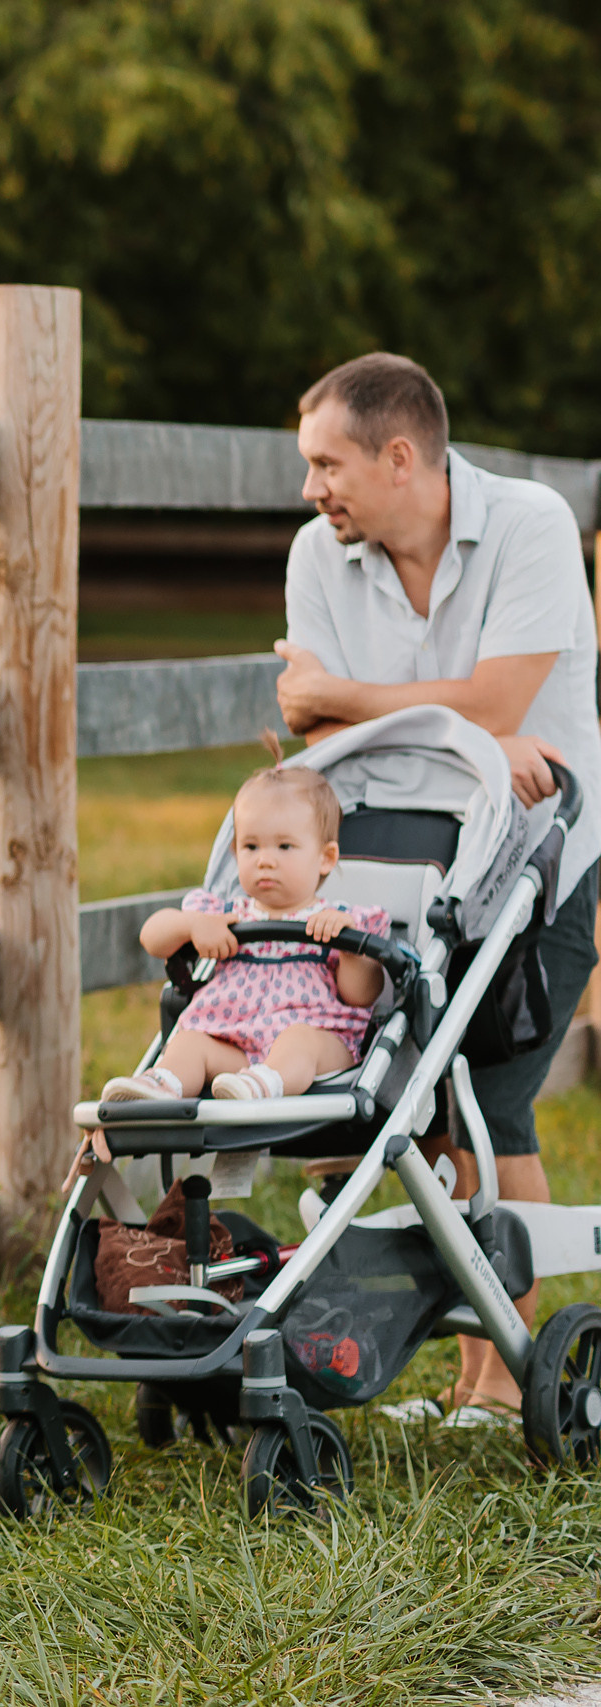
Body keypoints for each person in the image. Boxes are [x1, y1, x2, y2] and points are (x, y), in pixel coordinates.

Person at [274, 351, 601, 1424]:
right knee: (415, 1109)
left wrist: (360, 700)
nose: (312, 487)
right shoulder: (319, 555)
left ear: (399, 456)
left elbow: (507, 695)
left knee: (493, 1101)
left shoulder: (531, 527)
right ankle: (465, 1369)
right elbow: (303, 724)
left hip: (533, 858)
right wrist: (462, 723)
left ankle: (510, 1379)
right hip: (383, 865)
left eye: (327, 463)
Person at [101, 753, 388, 1103]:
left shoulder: (337, 920)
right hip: (235, 1050)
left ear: (325, 857)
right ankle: (161, 1085)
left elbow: (361, 994)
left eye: (284, 846)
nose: (264, 859)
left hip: (318, 1045)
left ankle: (264, 1085)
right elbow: (151, 936)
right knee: (190, 1043)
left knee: (299, 1040)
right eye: (251, 846)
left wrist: (348, 948)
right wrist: (192, 926)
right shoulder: (225, 916)